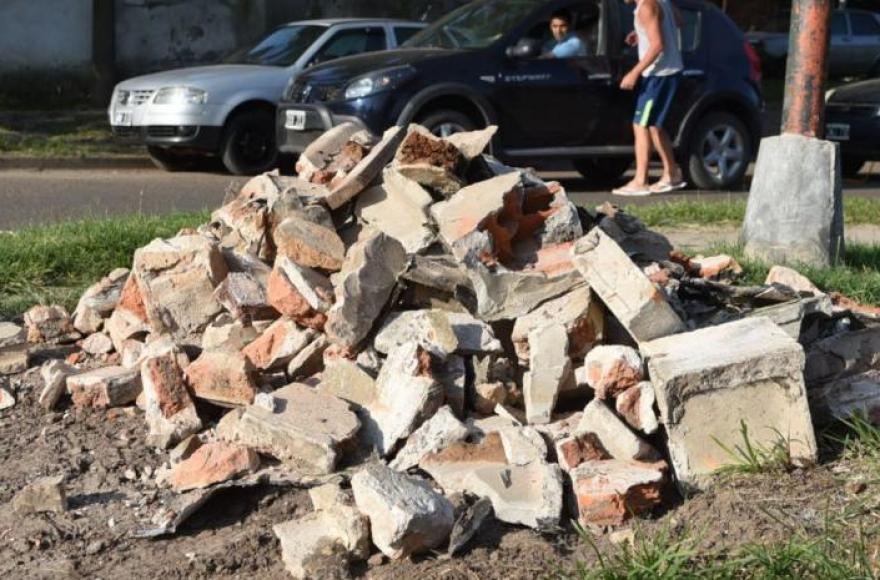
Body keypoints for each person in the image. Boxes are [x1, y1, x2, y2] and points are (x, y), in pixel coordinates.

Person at [613, 0, 686, 196]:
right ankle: (672, 175)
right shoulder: (661, 2)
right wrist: (642, 32)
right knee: (654, 126)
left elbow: (657, 45)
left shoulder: (647, 6)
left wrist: (634, 73)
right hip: (667, 72)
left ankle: (640, 180)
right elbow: (679, 21)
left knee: (641, 124)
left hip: (658, 76)